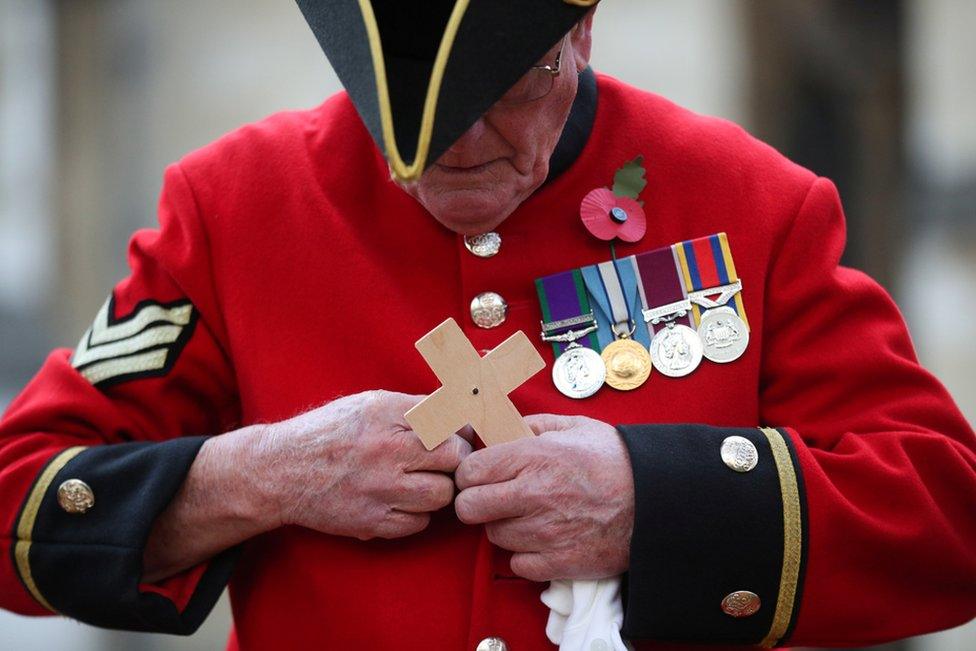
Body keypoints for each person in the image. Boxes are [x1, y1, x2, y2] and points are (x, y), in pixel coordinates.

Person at [1, 2, 974, 650]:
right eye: (416, 114)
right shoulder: (232, 204)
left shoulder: (750, 200)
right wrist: (263, 474)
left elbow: (945, 516)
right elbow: (16, 506)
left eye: (514, 88)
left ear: (584, 33)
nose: (463, 146)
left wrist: (655, 503)